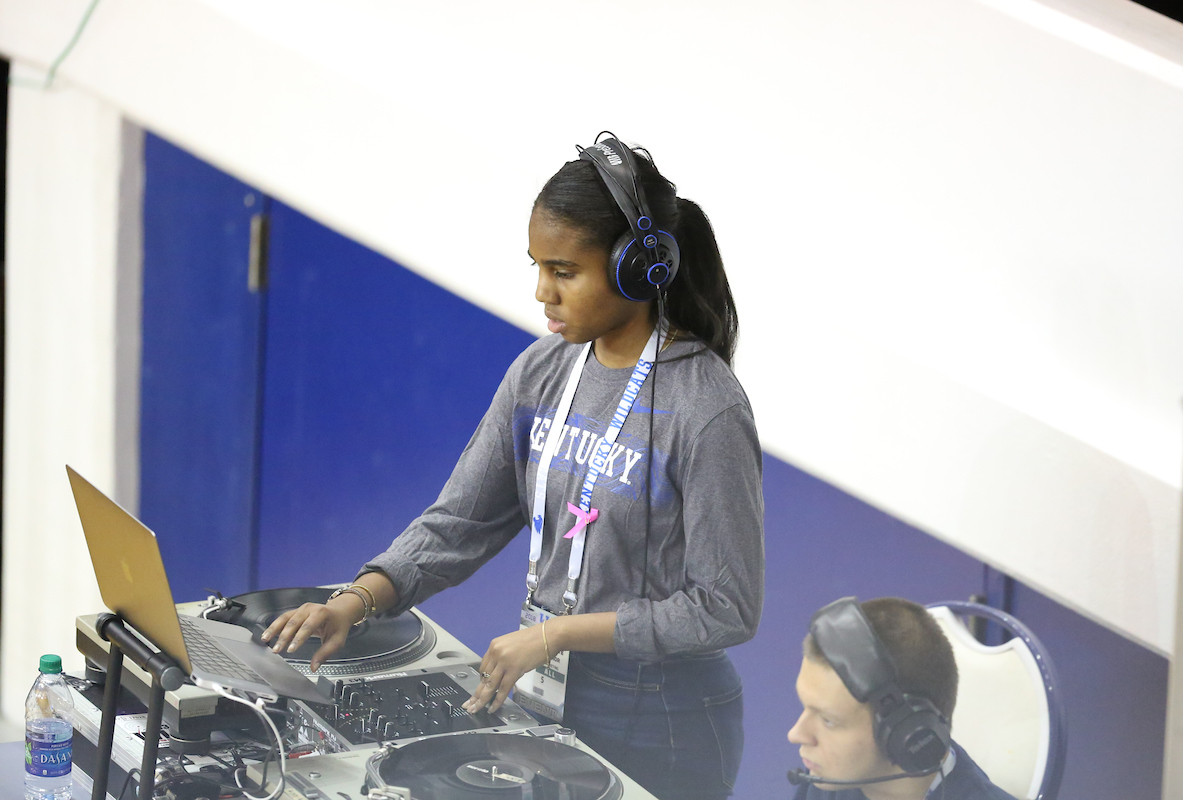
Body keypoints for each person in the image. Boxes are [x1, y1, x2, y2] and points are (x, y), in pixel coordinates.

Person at [262, 133, 766, 800]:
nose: (541, 293)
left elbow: (725, 607)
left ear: (637, 270)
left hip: (667, 721)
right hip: (549, 693)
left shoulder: (706, 408)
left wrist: (559, 633)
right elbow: (459, 522)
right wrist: (359, 599)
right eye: (537, 266)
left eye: (563, 271)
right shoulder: (541, 373)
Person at [788, 597, 1017, 800]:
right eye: (805, 708)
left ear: (907, 734)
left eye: (829, 721)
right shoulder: (829, 779)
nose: (796, 735)